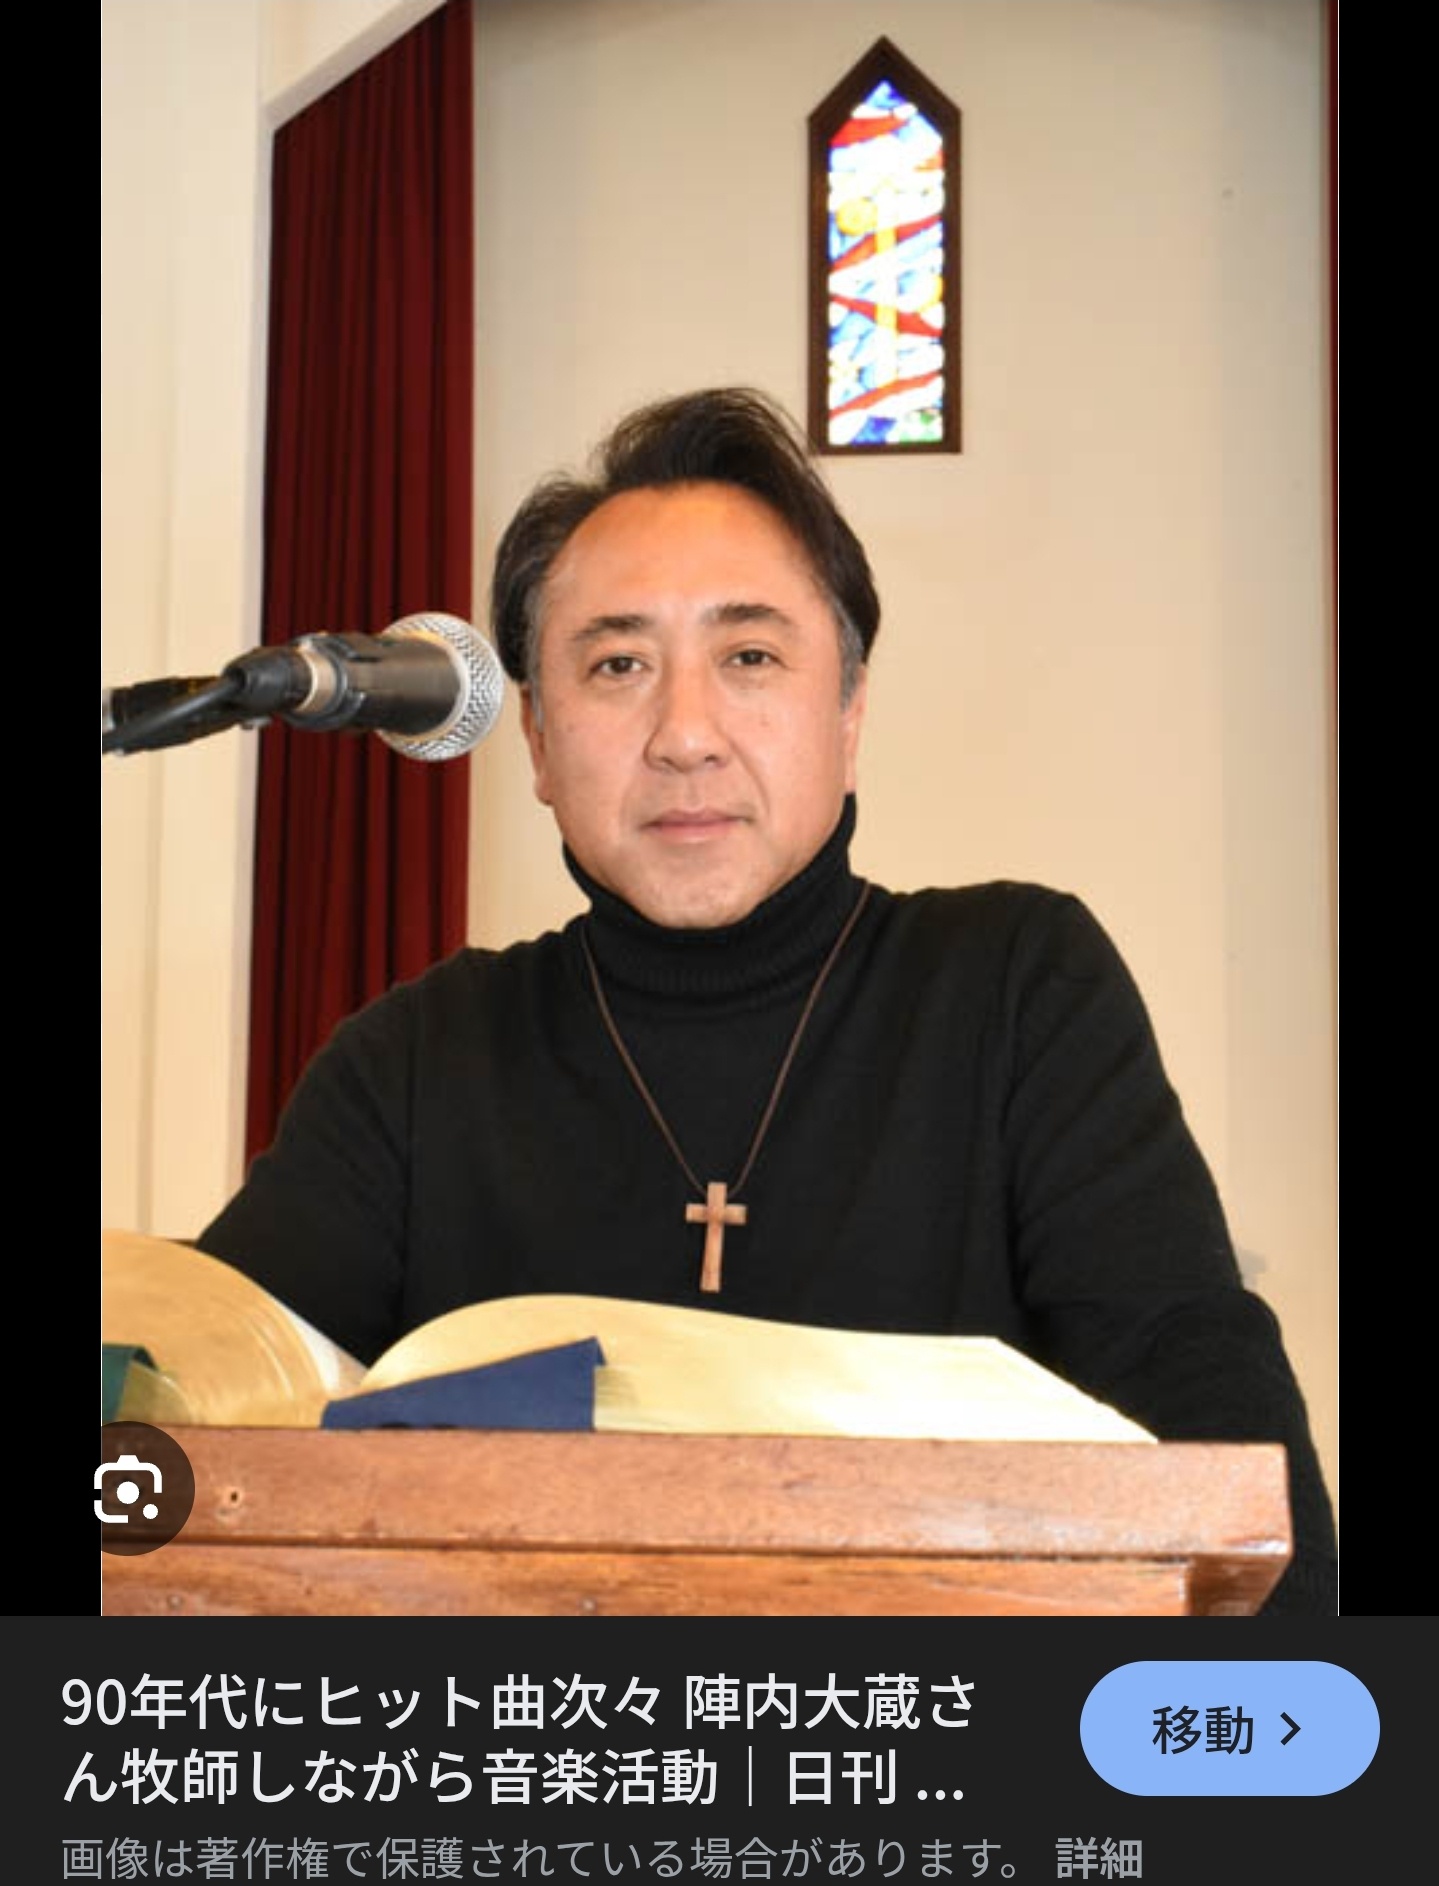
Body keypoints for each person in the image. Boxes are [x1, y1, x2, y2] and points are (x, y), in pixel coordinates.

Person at [200, 388, 1336, 1613]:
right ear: (534, 738)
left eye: (747, 656)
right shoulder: (416, 1060)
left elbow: (1224, 1467)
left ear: (848, 711)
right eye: (617, 664)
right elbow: (197, 1424)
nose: (685, 734)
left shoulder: (1014, 985)